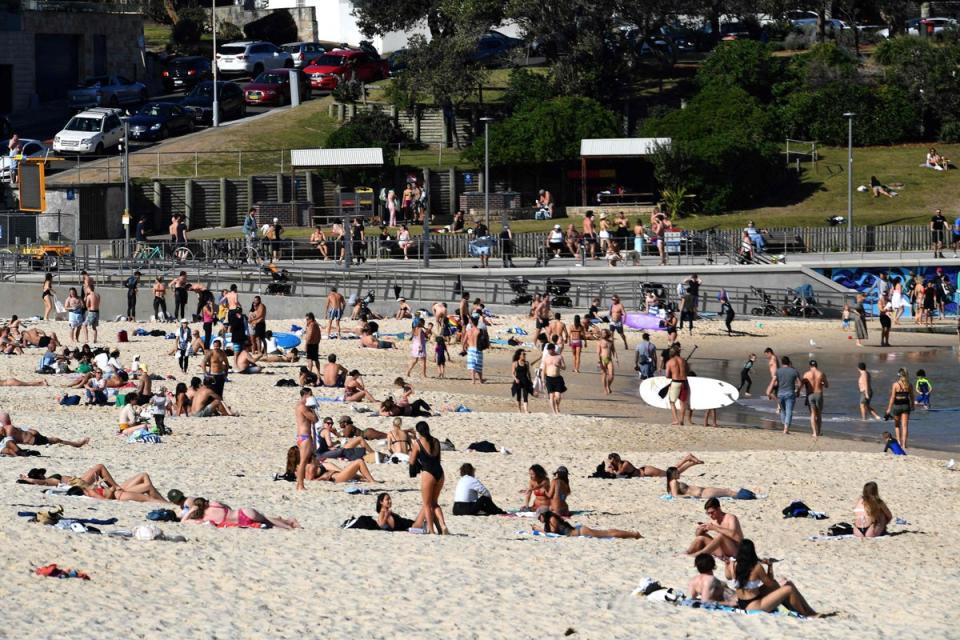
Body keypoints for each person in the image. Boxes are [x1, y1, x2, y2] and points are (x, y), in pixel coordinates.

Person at [724, 540, 822, 616]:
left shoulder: (734, 565)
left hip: (742, 603)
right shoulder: (756, 567)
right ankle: (805, 614)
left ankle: (808, 611)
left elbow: (728, 577)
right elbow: (769, 583)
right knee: (789, 588)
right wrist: (770, 566)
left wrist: (727, 564)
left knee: (784, 584)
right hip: (754, 606)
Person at [409, 421, 448, 535]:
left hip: (428, 473)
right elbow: (438, 458)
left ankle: (431, 530)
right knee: (435, 502)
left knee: (427, 504)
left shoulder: (417, 443)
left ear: (418, 431)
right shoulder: (436, 441)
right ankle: (442, 524)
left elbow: (411, 461)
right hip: (440, 473)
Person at [183, 497, 299, 529]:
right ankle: (288, 525)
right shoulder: (214, 503)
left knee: (268, 521)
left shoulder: (204, 519)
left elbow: (184, 521)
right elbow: (228, 507)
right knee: (267, 520)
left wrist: (191, 511)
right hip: (242, 513)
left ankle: (288, 525)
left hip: (240, 522)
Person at [536, 509, 641, 539]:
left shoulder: (552, 519)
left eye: (539, 517)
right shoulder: (550, 519)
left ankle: (634, 534)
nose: (538, 519)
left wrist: (539, 529)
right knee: (607, 533)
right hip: (579, 531)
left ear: (543, 514)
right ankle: (633, 534)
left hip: (581, 532)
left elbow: (552, 533)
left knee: (609, 534)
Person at [0, 414, 89, 449]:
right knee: (56, 440)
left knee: (54, 440)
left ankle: (76, 444)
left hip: (33, 437)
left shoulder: (8, 430)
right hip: (33, 440)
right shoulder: (9, 432)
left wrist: (29, 430)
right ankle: (76, 444)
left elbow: (19, 431)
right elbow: (23, 433)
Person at [667, 467, 756, 501]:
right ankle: (750, 496)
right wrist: (691, 496)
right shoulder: (674, 482)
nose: (679, 474)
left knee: (727, 491)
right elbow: (675, 495)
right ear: (672, 474)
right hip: (702, 493)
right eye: (677, 473)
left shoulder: (673, 482)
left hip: (703, 492)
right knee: (728, 491)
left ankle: (750, 495)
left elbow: (675, 493)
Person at [767, 356, 801, 435]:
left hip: (780, 393)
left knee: (782, 410)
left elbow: (773, 381)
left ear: (782, 363)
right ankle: (786, 428)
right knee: (789, 411)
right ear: (789, 362)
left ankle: (784, 426)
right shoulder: (794, 371)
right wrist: (798, 391)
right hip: (790, 393)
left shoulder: (778, 371)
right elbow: (799, 384)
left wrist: (769, 390)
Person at [605, 452, 702, 478]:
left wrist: (610, 468)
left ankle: (688, 460)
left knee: (671, 473)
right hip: (645, 471)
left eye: (610, 460)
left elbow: (618, 474)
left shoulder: (625, 464)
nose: (610, 462)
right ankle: (689, 460)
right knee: (671, 472)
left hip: (647, 471)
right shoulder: (618, 465)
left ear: (613, 460)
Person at [885, 368, 913, 449]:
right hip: (906, 406)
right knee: (905, 426)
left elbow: (892, 397)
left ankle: (899, 442)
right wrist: (913, 405)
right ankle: (904, 444)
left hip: (897, 406)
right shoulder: (909, 384)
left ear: (899, 375)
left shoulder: (895, 384)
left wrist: (889, 409)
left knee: (897, 425)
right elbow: (911, 396)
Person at [801, 360, 828, 439]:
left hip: (810, 395)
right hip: (819, 394)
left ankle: (814, 433)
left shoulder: (806, 374)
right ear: (817, 365)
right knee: (819, 414)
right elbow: (826, 385)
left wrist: (798, 391)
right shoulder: (821, 374)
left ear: (810, 366)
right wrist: (822, 383)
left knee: (812, 414)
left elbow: (801, 385)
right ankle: (819, 432)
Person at [664, 343, 689, 426]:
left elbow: (667, 375)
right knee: (683, 403)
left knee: (672, 402)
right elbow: (687, 372)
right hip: (684, 382)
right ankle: (682, 420)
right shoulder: (684, 360)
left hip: (675, 382)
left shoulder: (670, 362)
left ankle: (676, 420)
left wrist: (674, 374)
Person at [542, 343, 566, 414]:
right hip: (549, 378)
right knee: (551, 396)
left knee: (558, 396)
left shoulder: (559, 356)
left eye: (550, 350)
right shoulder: (546, 357)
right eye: (548, 350)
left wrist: (559, 366)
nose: (549, 352)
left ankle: (557, 406)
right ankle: (554, 411)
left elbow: (564, 367)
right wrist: (543, 379)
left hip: (557, 378)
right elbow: (544, 369)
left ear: (553, 349)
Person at [511, 349, 533, 413]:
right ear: (519, 355)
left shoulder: (526, 363)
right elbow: (512, 373)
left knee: (525, 394)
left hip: (525, 380)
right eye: (523, 354)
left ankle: (526, 410)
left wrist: (530, 380)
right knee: (519, 395)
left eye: (525, 354)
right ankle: (519, 409)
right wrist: (515, 379)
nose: (524, 355)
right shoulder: (515, 363)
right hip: (518, 380)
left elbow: (528, 373)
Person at [596, 328, 616, 396]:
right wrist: (599, 361)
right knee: (604, 374)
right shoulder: (599, 342)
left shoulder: (610, 342)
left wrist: (616, 359)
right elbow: (598, 353)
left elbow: (614, 351)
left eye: (604, 333)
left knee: (612, 375)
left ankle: (608, 385)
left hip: (609, 359)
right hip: (602, 359)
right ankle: (605, 389)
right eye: (602, 333)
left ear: (607, 333)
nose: (603, 334)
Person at [303, 312, 321, 376]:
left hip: (310, 343)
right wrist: (318, 341)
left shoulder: (311, 325)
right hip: (316, 343)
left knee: (309, 359)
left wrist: (306, 344)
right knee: (316, 359)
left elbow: (310, 335)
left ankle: (310, 371)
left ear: (311, 319)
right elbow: (319, 335)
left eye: (307, 319)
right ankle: (318, 372)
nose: (306, 321)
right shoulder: (316, 324)